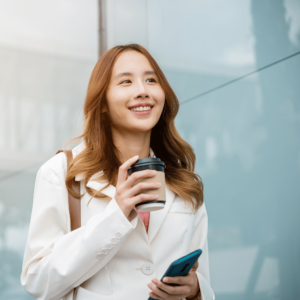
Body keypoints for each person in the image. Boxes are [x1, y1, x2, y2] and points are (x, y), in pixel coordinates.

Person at [21, 44, 215, 300]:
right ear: (102, 103)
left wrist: (195, 289)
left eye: (151, 80)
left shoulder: (184, 184)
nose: (142, 91)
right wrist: (117, 214)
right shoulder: (62, 173)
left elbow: (204, 280)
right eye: (126, 82)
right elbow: (36, 280)